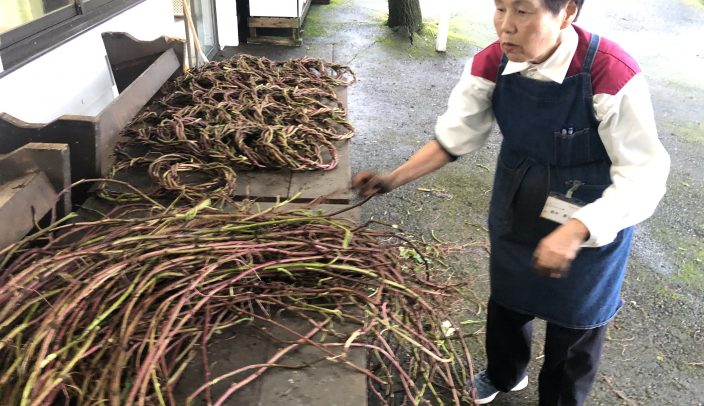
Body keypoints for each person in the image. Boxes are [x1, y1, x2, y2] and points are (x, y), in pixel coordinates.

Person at [351, 0, 670, 405]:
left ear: (567, 12)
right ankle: (504, 375)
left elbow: (644, 176)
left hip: (594, 214)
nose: (506, 26)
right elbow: (455, 137)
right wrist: (392, 178)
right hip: (518, 200)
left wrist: (577, 230)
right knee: (508, 300)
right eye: (500, 8)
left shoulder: (610, 72)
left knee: (575, 323)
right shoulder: (490, 63)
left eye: (523, 11)